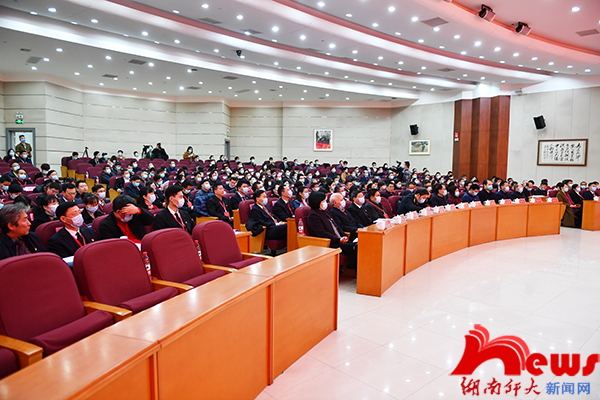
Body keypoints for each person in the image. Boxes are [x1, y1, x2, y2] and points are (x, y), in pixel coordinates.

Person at [306, 191, 357, 270]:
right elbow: (321, 233)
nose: (325, 203)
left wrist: (343, 235)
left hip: (338, 240)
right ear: (317, 202)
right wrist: (338, 239)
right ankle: (354, 270)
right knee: (354, 248)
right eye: (323, 201)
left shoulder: (325, 212)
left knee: (358, 244)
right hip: (330, 243)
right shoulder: (313, 215)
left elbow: (336, 226)